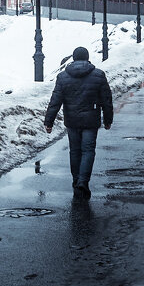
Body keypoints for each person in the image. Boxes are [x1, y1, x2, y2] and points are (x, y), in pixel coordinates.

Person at [44, 46, 113, 197]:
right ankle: (83, 181)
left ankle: (76, 181)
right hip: (91, 120)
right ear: (88, 58)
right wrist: (108, 119)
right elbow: (106, 99)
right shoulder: (98, 75)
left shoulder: (63, 77)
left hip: (72, 120)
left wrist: (49, 121)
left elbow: (55, 100)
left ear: (73, 59)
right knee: (88, 150)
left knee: (75, 151)